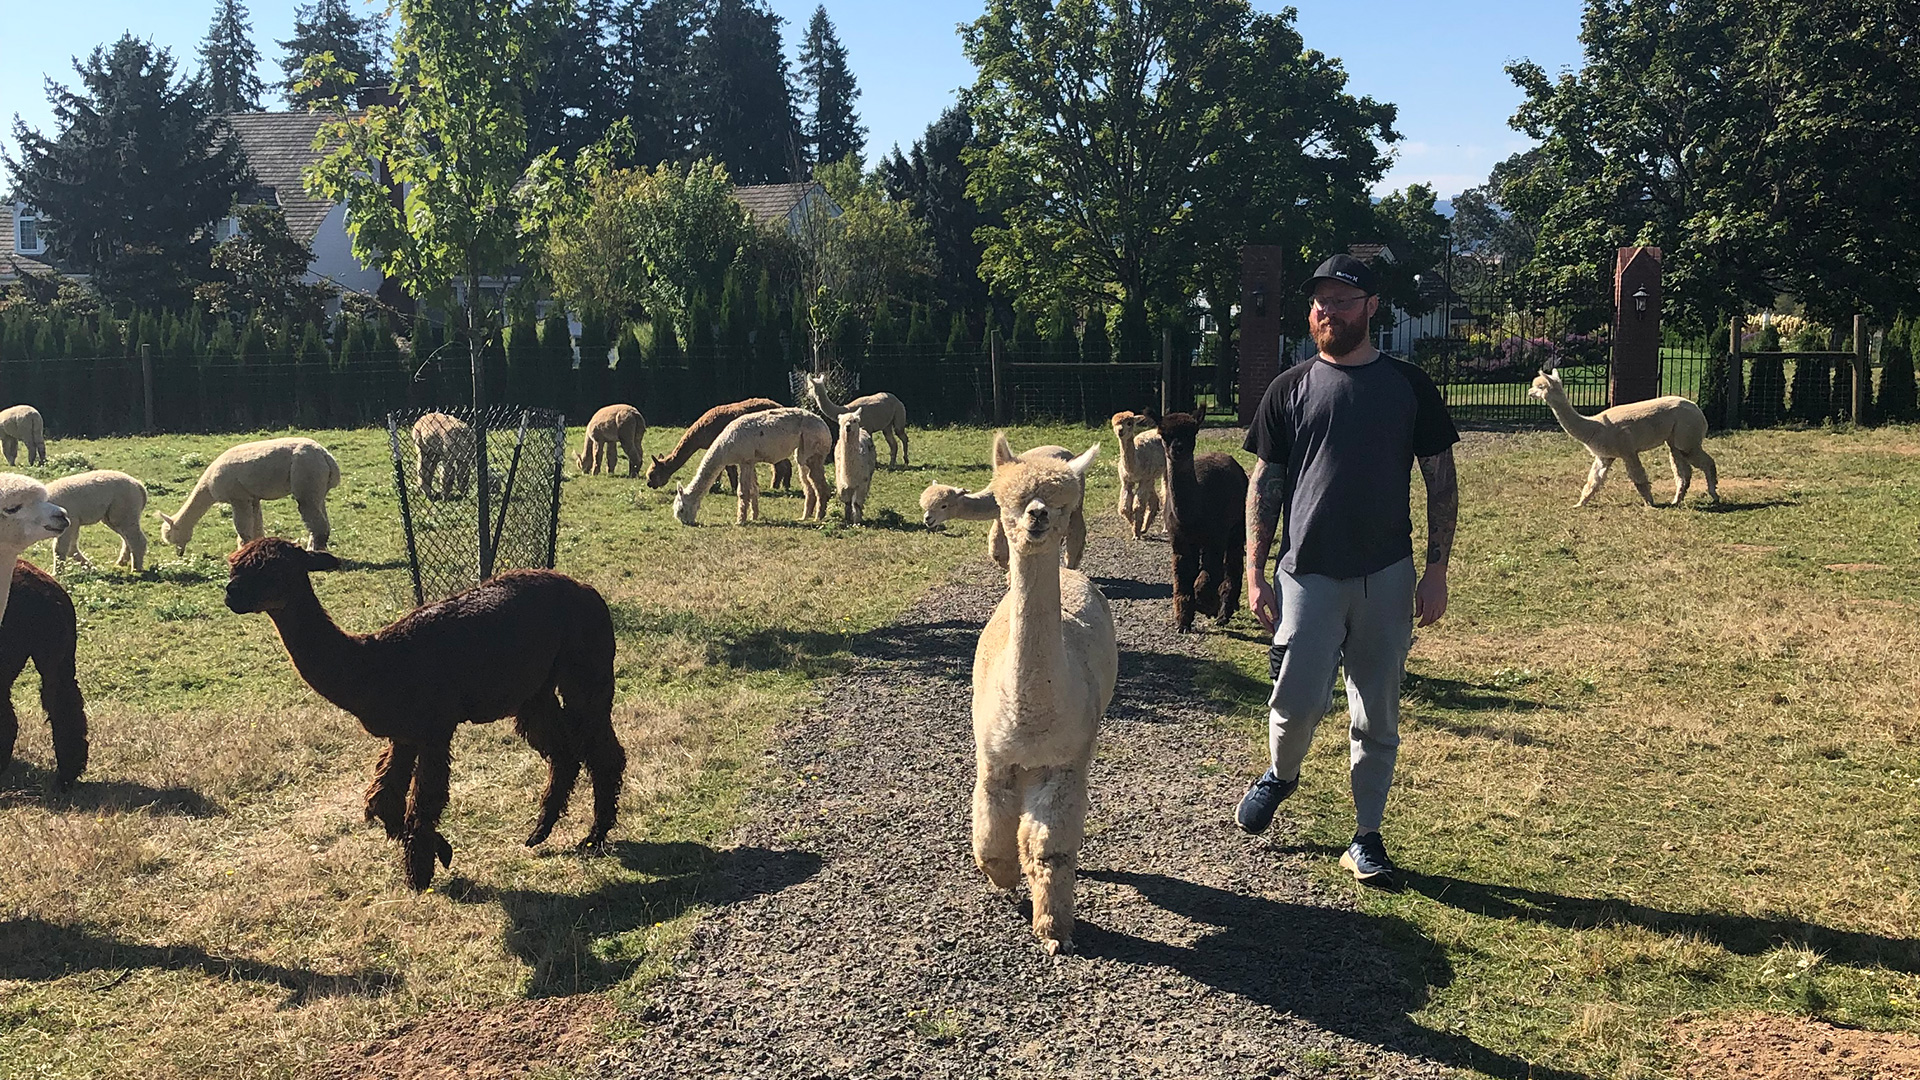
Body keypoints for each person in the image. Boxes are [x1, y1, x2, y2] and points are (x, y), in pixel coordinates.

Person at [1234, 253, 1460, 889]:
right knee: (1297, 702)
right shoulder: (1291, 387)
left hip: (1388, 574)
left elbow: (1440, 481)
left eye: (1340, 300)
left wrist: (1436, 570)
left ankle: (1366, 837)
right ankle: (1281, 774)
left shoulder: (1409, 386)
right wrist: (1255, 568)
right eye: (1318, 301)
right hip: (1308, 576)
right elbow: (1266, 482)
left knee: (1377, 713)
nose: (1325, 310)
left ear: (1371, 308)